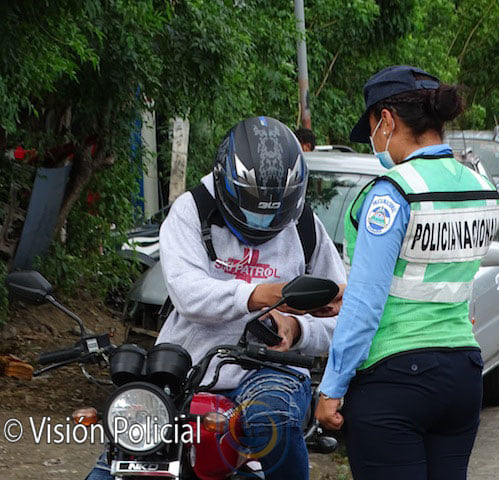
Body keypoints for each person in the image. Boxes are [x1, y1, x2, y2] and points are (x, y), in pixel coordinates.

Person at [86, 116, 346, 480]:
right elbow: (189, 293)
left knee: (272, 419)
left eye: (273, 213)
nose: (260, 224)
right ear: (225, 183)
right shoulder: (190, 210)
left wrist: (297, 330)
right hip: (186, 368)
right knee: (118, 458)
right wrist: (257, 295)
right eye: (251, 209)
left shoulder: (305, 226)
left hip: (270, 371)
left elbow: (340, 316)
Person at [314, 65, 499, 479]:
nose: (375, 146)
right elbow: (452, 276)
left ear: (386, 120)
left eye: (371, 133)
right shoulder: (479, 188)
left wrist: (331, 388)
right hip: (463, 375)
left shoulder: (391, 192)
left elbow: (366, 301)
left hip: (396, 381)